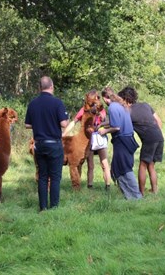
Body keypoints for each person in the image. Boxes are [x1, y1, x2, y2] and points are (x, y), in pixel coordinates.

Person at [25, 76, 69, 211]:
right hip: (54, 144)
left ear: (40, 88)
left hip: (39, 144)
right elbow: (63, 124)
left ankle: (43, 207)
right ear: (52, 86)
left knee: (43, 176)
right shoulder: (57, 103)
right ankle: (54, 207)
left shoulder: (33, 103)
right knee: (55, 177)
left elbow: (27, 125)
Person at [118, 86, 164, 196]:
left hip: (149, 139)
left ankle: (141, 193)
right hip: (159, 137)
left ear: (125, 99)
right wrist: (156, 134)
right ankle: (154, 190)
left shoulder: (128, 112)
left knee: (143, 165)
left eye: (121, 100)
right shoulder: (145, 105)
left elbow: (120, 126)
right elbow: (159, 121)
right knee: (151, 165)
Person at [98, 87, 142, 200]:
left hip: (122, 141)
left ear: (105, 97)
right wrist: (103, 123)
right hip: (128, 139)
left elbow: (116, 127)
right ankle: (128, 196)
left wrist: (104, 131)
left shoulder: (112, 107)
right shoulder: (121, 105)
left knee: (124, 169)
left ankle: (136, 196)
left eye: (104, 100)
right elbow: (116, 121)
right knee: (117, 168)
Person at [62, 89, 111, 190]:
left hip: (99, 135)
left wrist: (102, 120)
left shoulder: (101, 109)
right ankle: (89, 185)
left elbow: (107, 121)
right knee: (88, 163)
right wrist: (64, 133)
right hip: (87, 138)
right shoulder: (84, 110)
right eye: (93, 99)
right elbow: (74, 122)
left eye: (97, 98)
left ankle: (108, 186)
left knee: (104, 163)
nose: (96, 100)